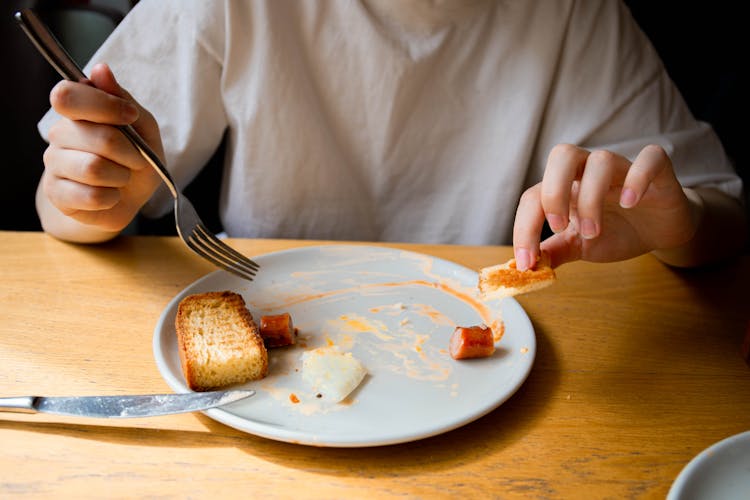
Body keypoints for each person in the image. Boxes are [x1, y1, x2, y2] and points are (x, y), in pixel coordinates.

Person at [35, 0, 746, 271]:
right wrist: (91, 195)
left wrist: (675, 227)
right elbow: (63, 199)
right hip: (275, 337)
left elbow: (722, 213)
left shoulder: (576, 14)